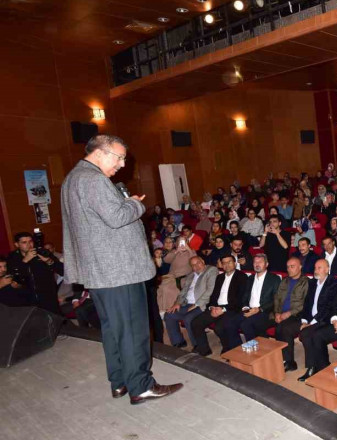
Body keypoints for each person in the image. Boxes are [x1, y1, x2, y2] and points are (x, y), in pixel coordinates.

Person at [61, 135, 182, 403]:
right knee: (133, 329)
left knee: (113, 328)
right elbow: (116, 217)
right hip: (119, 270)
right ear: (101, 153)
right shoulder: (93, 180)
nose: (122, 164)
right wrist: (135, 204)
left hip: (101, 272)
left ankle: (120, 382)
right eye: (119, 157)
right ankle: (141, 386)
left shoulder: (73, 178)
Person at [190, 255, 249, 356]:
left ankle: (228, 348)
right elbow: (213, 296)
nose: (226, 265)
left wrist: (224, 309)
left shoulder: (241, 277)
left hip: (231, 308)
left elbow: (240, 299)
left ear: (235, 263)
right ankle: (204, 350)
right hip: (216, 307)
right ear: (221, 265)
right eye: (224, 263)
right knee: (196, 322)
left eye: (229, 262)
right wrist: (212, 307)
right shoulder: (219, 277)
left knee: (219, 327)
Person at [290, 259, 337, 376]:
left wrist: (311, 323)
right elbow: (307, 303)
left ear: (327, 269)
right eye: (315, 268)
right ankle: (314, 366)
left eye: (319, 268)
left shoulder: (334, 284)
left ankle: (316, 366)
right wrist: (304, 320)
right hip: (311, 319)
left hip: (325, 319)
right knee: (305, 333)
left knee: (306, 333)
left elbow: (328, 309)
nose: (316, 270)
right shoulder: (312, 283)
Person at [163, 256, 218, 349]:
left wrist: (196, 305)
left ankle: (198, 345)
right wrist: (177, 303)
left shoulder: (211, 270)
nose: (196, 266)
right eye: (193, 265)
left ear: (203, 261)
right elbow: (183, 292)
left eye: (198, 263)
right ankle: (178, 341)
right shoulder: (191, 275)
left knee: (189, 319)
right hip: (186, 304)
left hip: (201, 304)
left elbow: (210, 290)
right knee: (169, 315)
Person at [267, 256, 310, 371]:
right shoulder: (284, 281)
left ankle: (289, 362)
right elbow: (277, 298)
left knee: (283, 328)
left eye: (292, 266)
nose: (289, 269)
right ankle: (272, 356)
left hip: (296, 315)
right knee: (261, 322)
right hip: (280, 313)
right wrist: (277, 313)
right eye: (288, 267)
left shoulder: (305, 282)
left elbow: (304, 303)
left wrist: (288, 313)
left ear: (300, 267)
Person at [230, 254, 282, 345]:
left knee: (245, 324)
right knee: (230, 322)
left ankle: (254, 349)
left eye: (260, 262)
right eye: (255, 262)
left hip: (265, 312)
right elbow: (245, 297)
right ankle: (235, 349)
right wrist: (246, 308)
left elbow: (276, 299)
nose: (257, 264)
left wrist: (259, 309)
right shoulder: (250, 278)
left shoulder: (274, 279)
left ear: (266, 264)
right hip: (249, 310)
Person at [7, 231, 63, 315]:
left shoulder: (42, 252)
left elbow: (62, 270)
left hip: (48, 295)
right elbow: (14, 277)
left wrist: (48, 261)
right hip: (27, 298)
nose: (29, 244)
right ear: (17, 244)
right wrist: (25, 260)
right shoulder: (13, 257)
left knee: (55, 321)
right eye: (24, 242)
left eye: (30, 241)